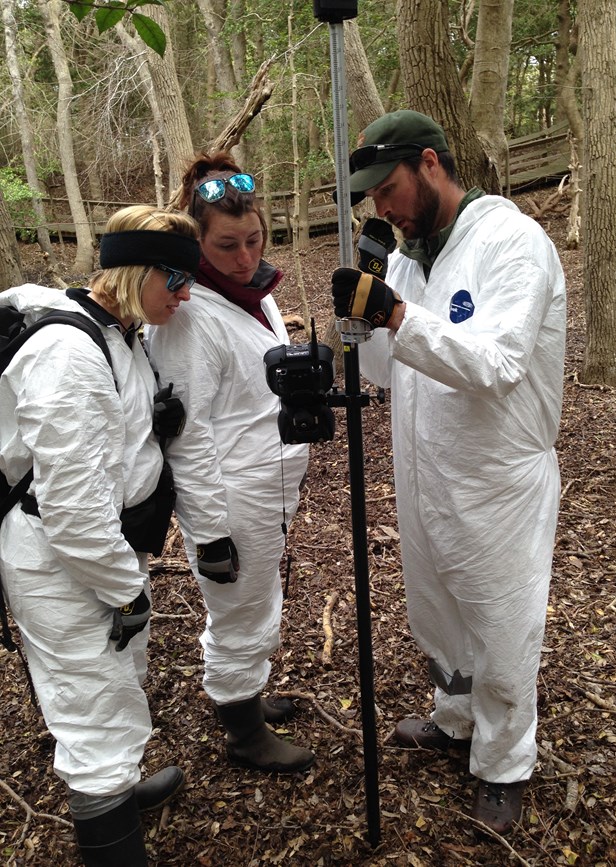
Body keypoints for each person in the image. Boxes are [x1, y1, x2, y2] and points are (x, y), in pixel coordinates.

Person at [330, 110, 566, 835]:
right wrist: (364, 316)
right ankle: (456, 716)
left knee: (501, 624)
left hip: (497, 476)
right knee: (435, 610)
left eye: (389, 189)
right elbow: (379, 372)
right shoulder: (405, 256)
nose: (383, 209)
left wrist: (399, 315)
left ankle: (502, 761)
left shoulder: (511, 243)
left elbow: (496, 363)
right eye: (371, 199)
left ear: (430, 164)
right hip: (426, 467)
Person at [0, 205, 200, 866]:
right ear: (136, 268)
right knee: (92, 712)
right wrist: (125, 588)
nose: (184, 293)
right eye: (174, 277)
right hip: (66, 565)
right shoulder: (68, 353)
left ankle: (118, 788)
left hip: (103, 555)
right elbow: (74, 511)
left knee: (118, 684)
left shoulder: (118, 328)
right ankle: (108, 824)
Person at [146, 152, 314, 773]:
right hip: (232, 491)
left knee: (258, 596)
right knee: (240, 606)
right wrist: (211, 533)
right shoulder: (187, 319)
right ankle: (242, 732)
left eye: (253, 240)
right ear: (196, 245)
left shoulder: (255, 295)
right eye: (226, 246)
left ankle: (248, 694)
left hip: (269, 481)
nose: (245, 257)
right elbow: (186, 438)